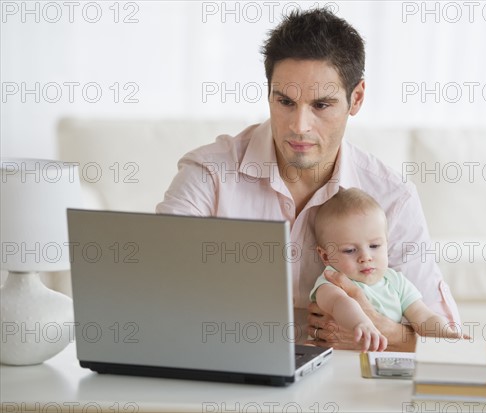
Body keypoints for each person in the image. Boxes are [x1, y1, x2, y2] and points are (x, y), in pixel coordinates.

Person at [156, 8, 461, 351]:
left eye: (321, 105)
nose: (299, 126)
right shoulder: (209, 174)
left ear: (355, 99)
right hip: (227, 363)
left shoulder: (392, 197)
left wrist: (383, 330)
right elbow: (153, 291)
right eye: (285, 101)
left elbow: (452, 344)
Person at [310, 188, 462, 352]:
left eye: (374, 246)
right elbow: (339, 304)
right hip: (343, 363)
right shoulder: (330, 282)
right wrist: (360, 323)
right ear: (325, 256)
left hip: (387, 361)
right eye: (349, 250)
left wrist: (447, 335)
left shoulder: (396, 281)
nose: (365, 257)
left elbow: (424, 316)